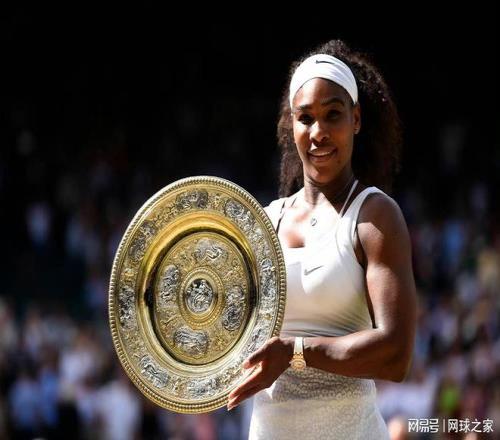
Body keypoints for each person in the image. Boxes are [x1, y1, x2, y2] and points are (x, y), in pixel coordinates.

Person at [227, 39, 417, 439]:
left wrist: (295, 353)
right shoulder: (265, 221)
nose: (318, 133)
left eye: (333, 115)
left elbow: (396, 355)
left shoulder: (375, 216)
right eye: (306, 118)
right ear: (291, 125)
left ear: (356, 119)